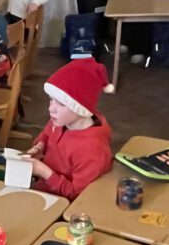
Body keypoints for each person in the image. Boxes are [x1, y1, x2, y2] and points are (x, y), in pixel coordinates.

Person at [24, 59, 114, 200]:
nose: (51, 108)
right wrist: (40, 146)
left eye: (61, 104)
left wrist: (43, 172)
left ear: (80, 108)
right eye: (51, 99)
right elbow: (47, 134)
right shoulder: (61, 120)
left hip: (65, 202)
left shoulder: (92, 149)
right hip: (44, 187)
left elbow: (77, 195)